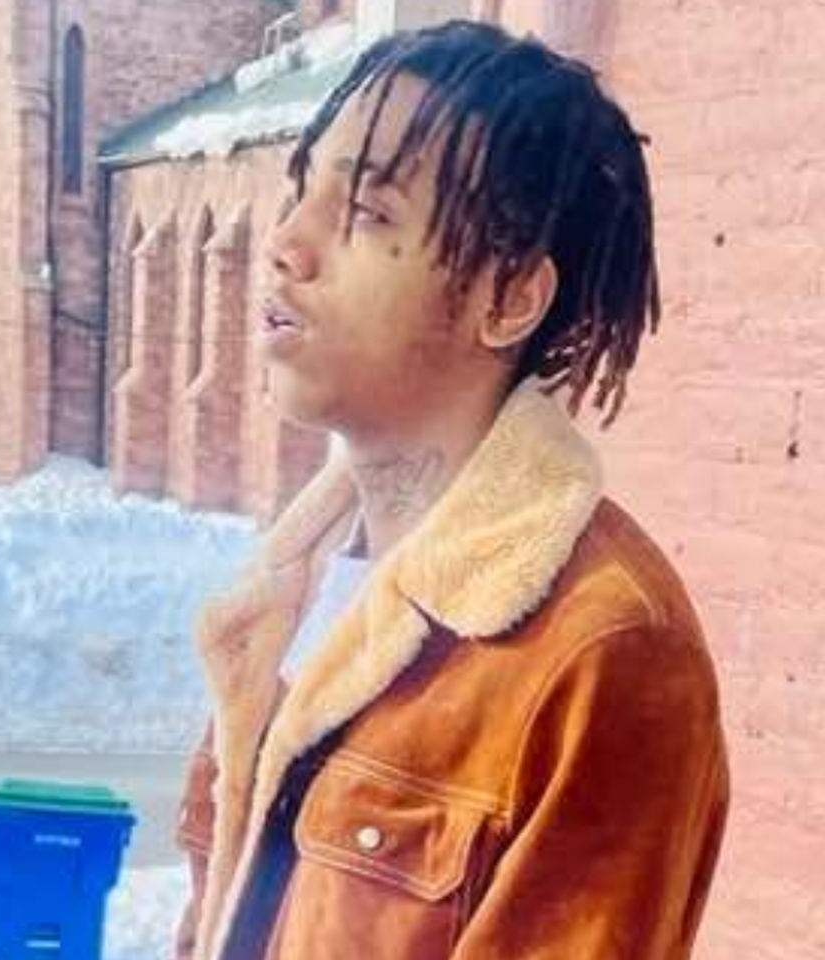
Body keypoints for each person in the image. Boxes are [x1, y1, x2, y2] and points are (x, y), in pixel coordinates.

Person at [173, 19, 729, 960]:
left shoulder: (606, 657)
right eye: (303, 191)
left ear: (507, 298)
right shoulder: (288, 596)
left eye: (366, 213)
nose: (287, 244)